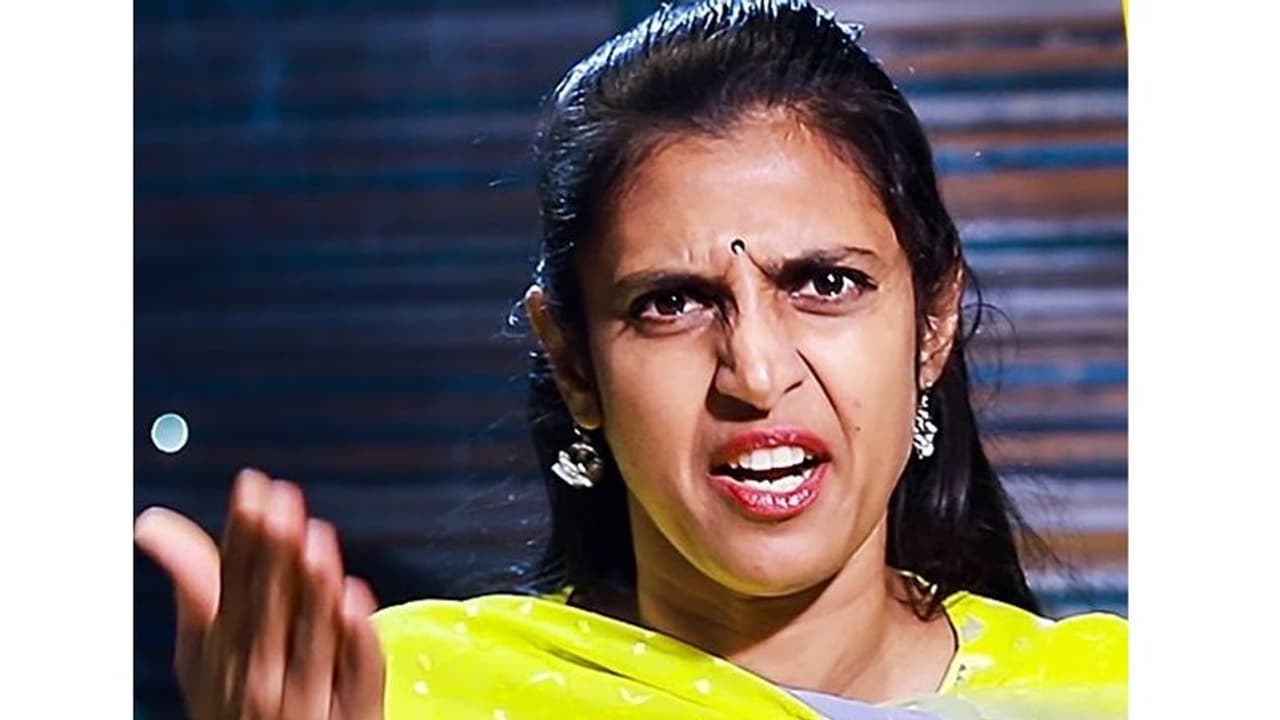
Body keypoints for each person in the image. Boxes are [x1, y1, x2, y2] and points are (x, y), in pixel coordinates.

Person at [133, 1, 1127, 718]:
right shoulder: (407, 692)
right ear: (572, 362)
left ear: (931, 324)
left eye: (825, 283)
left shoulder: (1118, 692)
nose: (755, 373)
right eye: (672, 303)